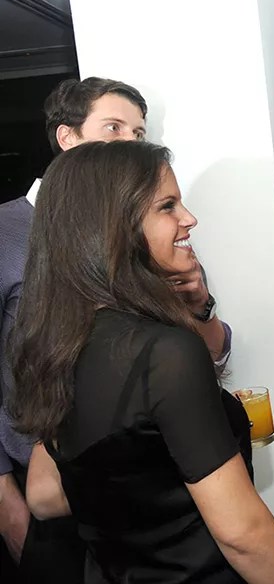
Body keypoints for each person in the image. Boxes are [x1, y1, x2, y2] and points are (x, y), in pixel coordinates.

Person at [9, 140, 274, 583]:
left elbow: (47, 497)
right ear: (115, 226)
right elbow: (244, 535)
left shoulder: (57, 350)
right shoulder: (163, 353)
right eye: (168, 206)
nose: (189, 218)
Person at [0, 77, 232, 581]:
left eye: (139, 132)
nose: (131, 141)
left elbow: (207, 355)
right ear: (67, 138)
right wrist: (9, 506)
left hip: (161, 482)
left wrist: (200, 306)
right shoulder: (8, 233)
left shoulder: (151, 236)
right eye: (114, 128)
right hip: (52, 488)